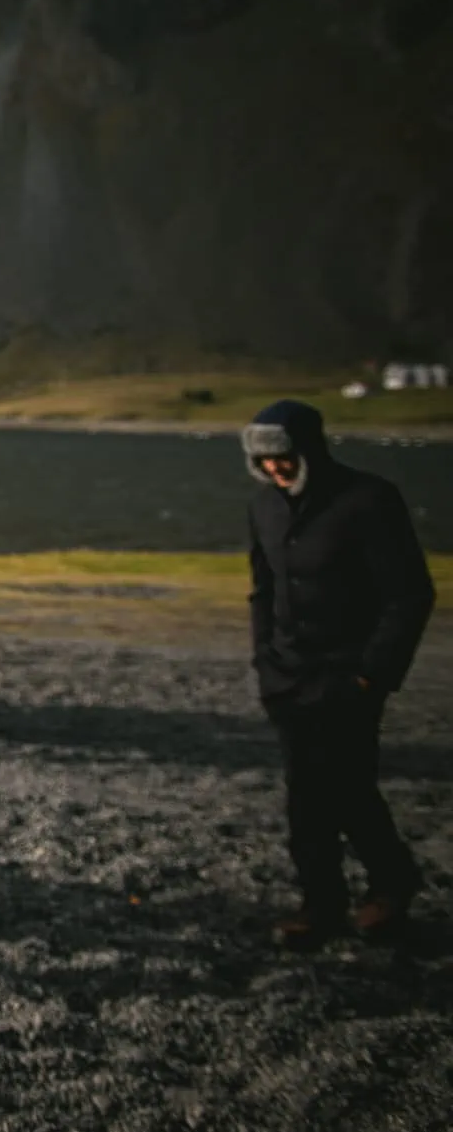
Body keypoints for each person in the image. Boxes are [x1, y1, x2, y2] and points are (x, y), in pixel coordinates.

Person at [243, 399, 435, 949]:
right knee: (304, 794)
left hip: (349, 674)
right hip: (287, 676)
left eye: (283, 456)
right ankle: (321, 904)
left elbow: (409, 594)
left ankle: (390, 884)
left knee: (349, 787)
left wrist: (372, 674)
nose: (275, 467)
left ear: (310, 448)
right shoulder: (263, 507)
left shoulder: (369, 500)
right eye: (263, 460)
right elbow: (263, 591)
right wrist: (264, 661)